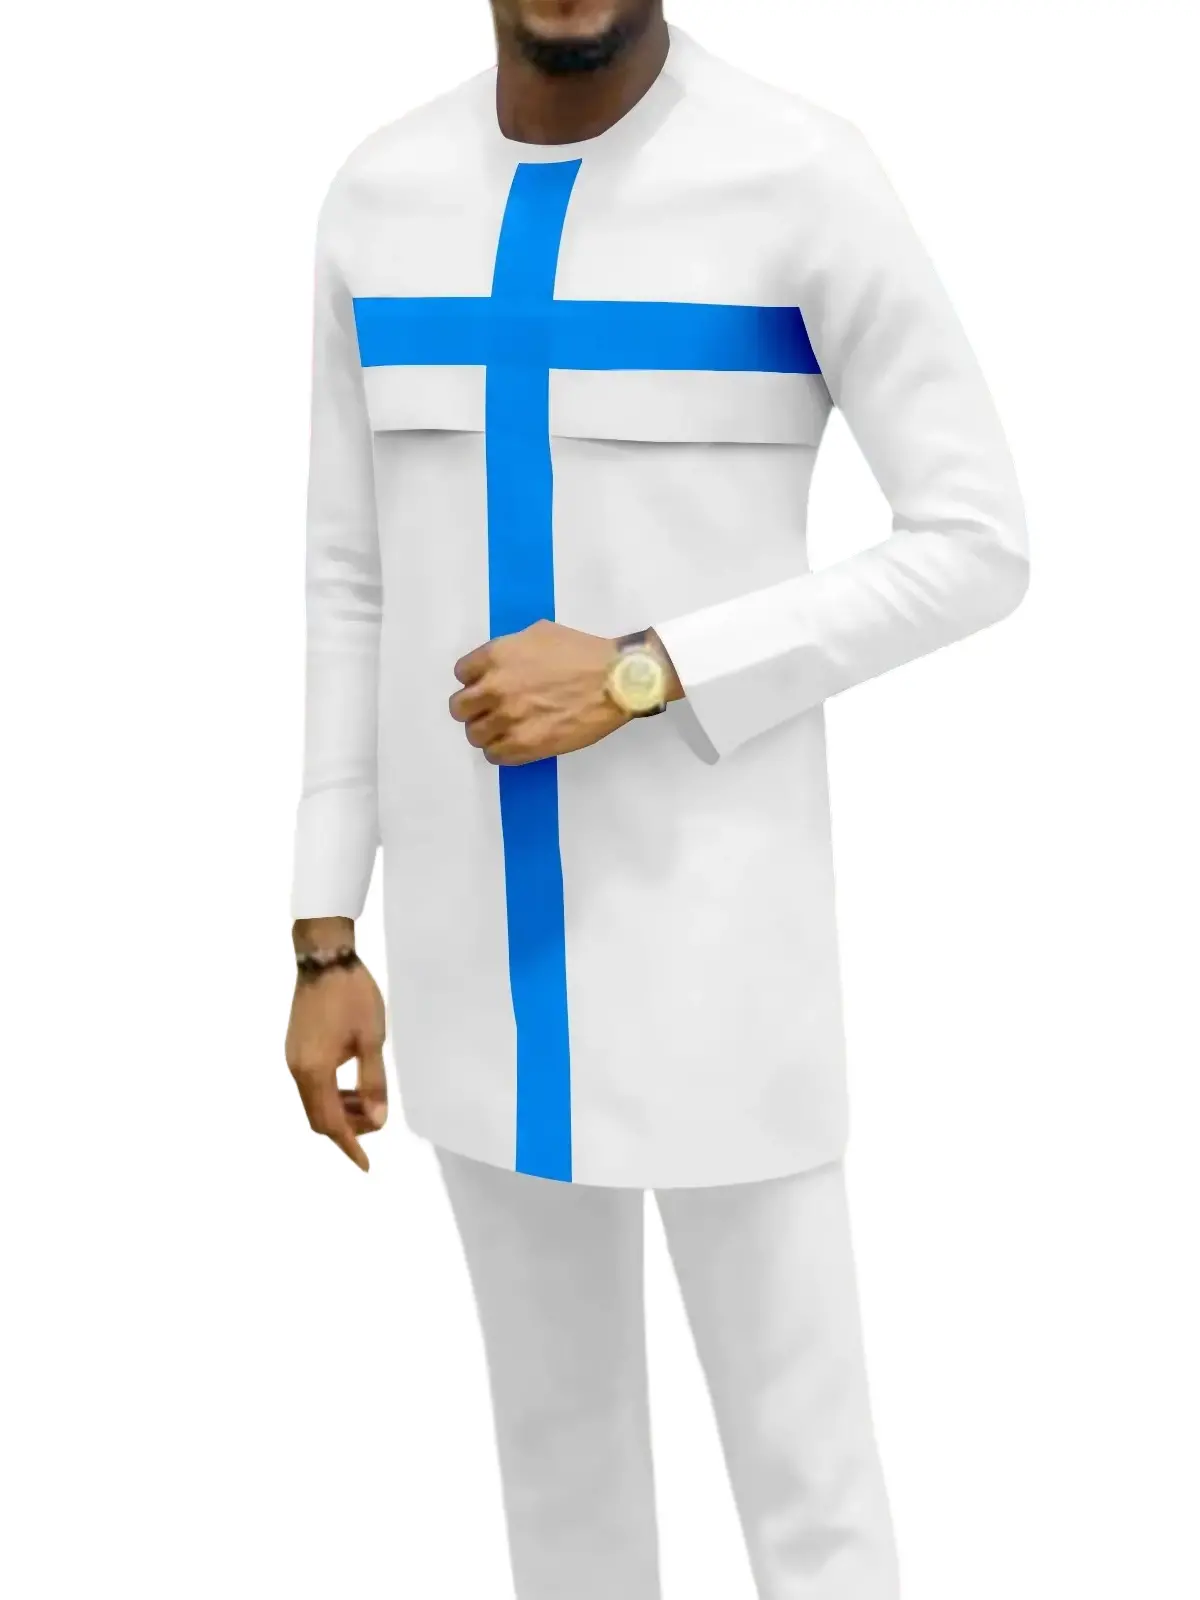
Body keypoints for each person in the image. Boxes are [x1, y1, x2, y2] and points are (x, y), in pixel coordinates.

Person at [284, 4, 1029, 1595]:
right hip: (479, 961)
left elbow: (976, 543)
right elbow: (351, 581)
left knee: (808, 1492)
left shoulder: (799, 171)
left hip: (721, 957)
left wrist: (648, 670)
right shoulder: (378, 195)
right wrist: (324, 929)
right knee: (557, 1477)